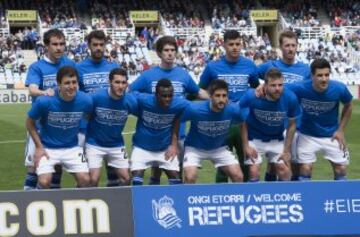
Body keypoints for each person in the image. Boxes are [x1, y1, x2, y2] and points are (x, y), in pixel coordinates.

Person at [130, 35, 208, 185]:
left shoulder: (183, 74)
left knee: (178, 170)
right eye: (166, 50)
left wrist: (217, 100)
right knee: (156, 171)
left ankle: (181, 201)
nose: (170, 53)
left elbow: (198, 92)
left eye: (173, 50)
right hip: (155, 132)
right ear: (159, 53)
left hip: (179, 132)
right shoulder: (148, 75)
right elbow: (130, 92)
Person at [199, 30, 259, 183]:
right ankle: (221, 198)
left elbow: (255, 89)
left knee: (246, 161)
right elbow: (200, 90)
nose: (235, 47)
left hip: (244, 122)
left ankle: (244, 199)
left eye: (238, 44)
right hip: (221, 122)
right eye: (231, 44)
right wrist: (215, 101)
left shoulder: (249, 65)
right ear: (224, 45)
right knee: (223, 166)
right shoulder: (213, 67)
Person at [24, 29, 75, 190]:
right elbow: (32, 89)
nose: (59, 48)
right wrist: (44, 92)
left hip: (61, 125)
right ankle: (27, 202)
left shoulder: (70, 64)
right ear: (46, 46)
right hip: (39, 125)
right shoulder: (37, 67)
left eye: (62, 44)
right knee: (34, 166)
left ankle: (55, 203)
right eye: (54, 44)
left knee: (56, 167)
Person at [26, 66, 92, 189]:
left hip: (72, 148)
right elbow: (29, 123)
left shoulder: (85, 100)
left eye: (74, 82)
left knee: (85, 180)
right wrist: (39, 147)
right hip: (47, 148)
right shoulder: (45, 101)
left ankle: (72, 206)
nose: (72, 87)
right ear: (58, 84)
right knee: (44, 182)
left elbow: (89, 116)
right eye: (67, 83)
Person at [257, 30, 311, 182]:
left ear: (297, 46)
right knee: (274, 164)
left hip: (295, 123)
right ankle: (273, 197)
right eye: (287, 45)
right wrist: (258, 86)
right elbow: (252, 76)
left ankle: (293, 197)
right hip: (273, 121)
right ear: (280, 47)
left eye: (293, 45)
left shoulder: (305, 70)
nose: (290, 49)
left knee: (293, 163)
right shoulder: (269, 66)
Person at [287, 59, 353, 181]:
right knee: (305, 169)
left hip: (332, 134)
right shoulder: (300, 87)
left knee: (341, 170)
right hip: (307, 135)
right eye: (320, 75)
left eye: (327, 75)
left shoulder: (339, 88)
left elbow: (348, 105)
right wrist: (262, 87)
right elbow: (279, 88)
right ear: (312, 76)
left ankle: (338, 199)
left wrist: (340, 130)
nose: (324, 79)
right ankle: (306, 199)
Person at [76, 30, 120, 187]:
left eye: (101, 44)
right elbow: (76, 96)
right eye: (95, 45)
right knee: (87, 176)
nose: (98, 48)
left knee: (114, 173)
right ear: (88, 46)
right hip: (86, 127)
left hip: (109, 126)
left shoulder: (113, 67)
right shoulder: (79, 68)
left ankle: (114, 206)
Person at [240, 68, 301, 182]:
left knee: (284, 170)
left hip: (276, 139)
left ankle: (282, 199)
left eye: (280, 85)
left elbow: (292, 125)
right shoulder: (251, 96)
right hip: (255, 139)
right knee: (254, 171)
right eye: (273, 85)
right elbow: (242, 121)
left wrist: (286, 150)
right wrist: (245, 146)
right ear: (265, 85)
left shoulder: (290, 98)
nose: (277, 89)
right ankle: (256, 199)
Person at [182, 80, 245, 184]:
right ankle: (186, 199)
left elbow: (243, 122)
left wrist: (246, 145)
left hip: (219, 148)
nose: (221, 99)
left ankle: (233, 199)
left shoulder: (233, 109)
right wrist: (174, 143)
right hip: (195, 148)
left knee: (238, 176)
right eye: (217, 95)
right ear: (210, 97)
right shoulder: (195, 109)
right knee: (190, 176)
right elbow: (176, 120)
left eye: (224, 96)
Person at [130, 79, 189, 186]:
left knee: (176, 179)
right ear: (156, 95)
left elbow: (199, 108)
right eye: (164, 96)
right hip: (141, 148)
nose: (168, 99)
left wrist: (174, 145)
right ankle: (139, 202)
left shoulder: (179, 104)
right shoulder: (144, 100)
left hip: (165, 149)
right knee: (136, 179)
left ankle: (176, 202)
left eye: (170, 95)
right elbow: (128, 93)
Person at [85, 68, 137, 187]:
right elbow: (85, 115)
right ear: (110, 82)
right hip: (94, 144)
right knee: (93, 180)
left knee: (126, 178)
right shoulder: (96, 97)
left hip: (117, 145)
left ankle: (119, 204)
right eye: (117, 82)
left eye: (123, 83)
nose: (120, 86)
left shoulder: (130, 101)